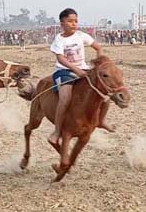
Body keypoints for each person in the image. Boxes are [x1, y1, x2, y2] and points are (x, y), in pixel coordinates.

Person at [48, 8, 113, 146]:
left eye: (76, 21)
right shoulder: (59, 39)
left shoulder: (81, 35)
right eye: (70, 21)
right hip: (64, 71)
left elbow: (98, 48)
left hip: (83, 69)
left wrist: (99, 64)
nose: (74, 24)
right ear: (62, 23)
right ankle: (57, 131)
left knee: (105, 94)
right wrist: (76, 70)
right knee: (65, 98)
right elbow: (60, 59)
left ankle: (101, 120)